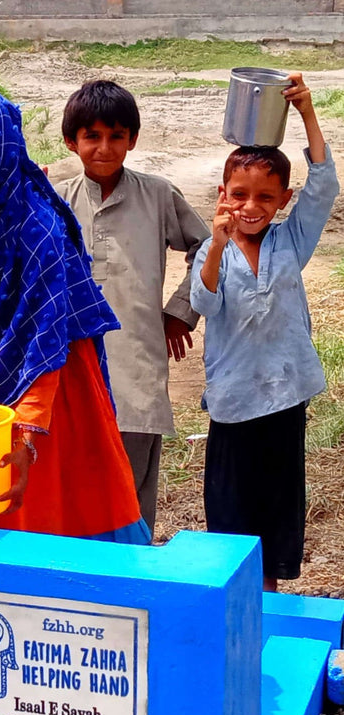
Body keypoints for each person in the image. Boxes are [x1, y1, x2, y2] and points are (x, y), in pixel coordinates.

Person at [0, 82, 147, 543]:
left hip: (55, 411)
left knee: (70, 543)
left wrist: (24, 436)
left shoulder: (38, 229)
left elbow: (47, 338)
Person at [190, 73, 336, 592]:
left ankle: (269, 601)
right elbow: (203, 300)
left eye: (264, 198)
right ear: (224, 195)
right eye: (240, 195)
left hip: (283, 399)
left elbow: (326, 186)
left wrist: (307, 113)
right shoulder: (215, 251)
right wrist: (213, 244)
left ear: (281, 200)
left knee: (276, 508)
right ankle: (238, 601)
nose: (251, 207)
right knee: (231, 511)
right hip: (232, 404)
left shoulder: (290, 244)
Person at [55, 80, 211, 537]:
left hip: (137, 374)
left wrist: (182, 308)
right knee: (76, 500)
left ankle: (132, 595)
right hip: (72, 374)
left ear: (133, 140)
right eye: (92, 136)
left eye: (117, 136)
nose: (105, 147)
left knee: (130, 506)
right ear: (72, 141)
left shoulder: (158, 195)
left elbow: (206, 247)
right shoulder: (58, 199)